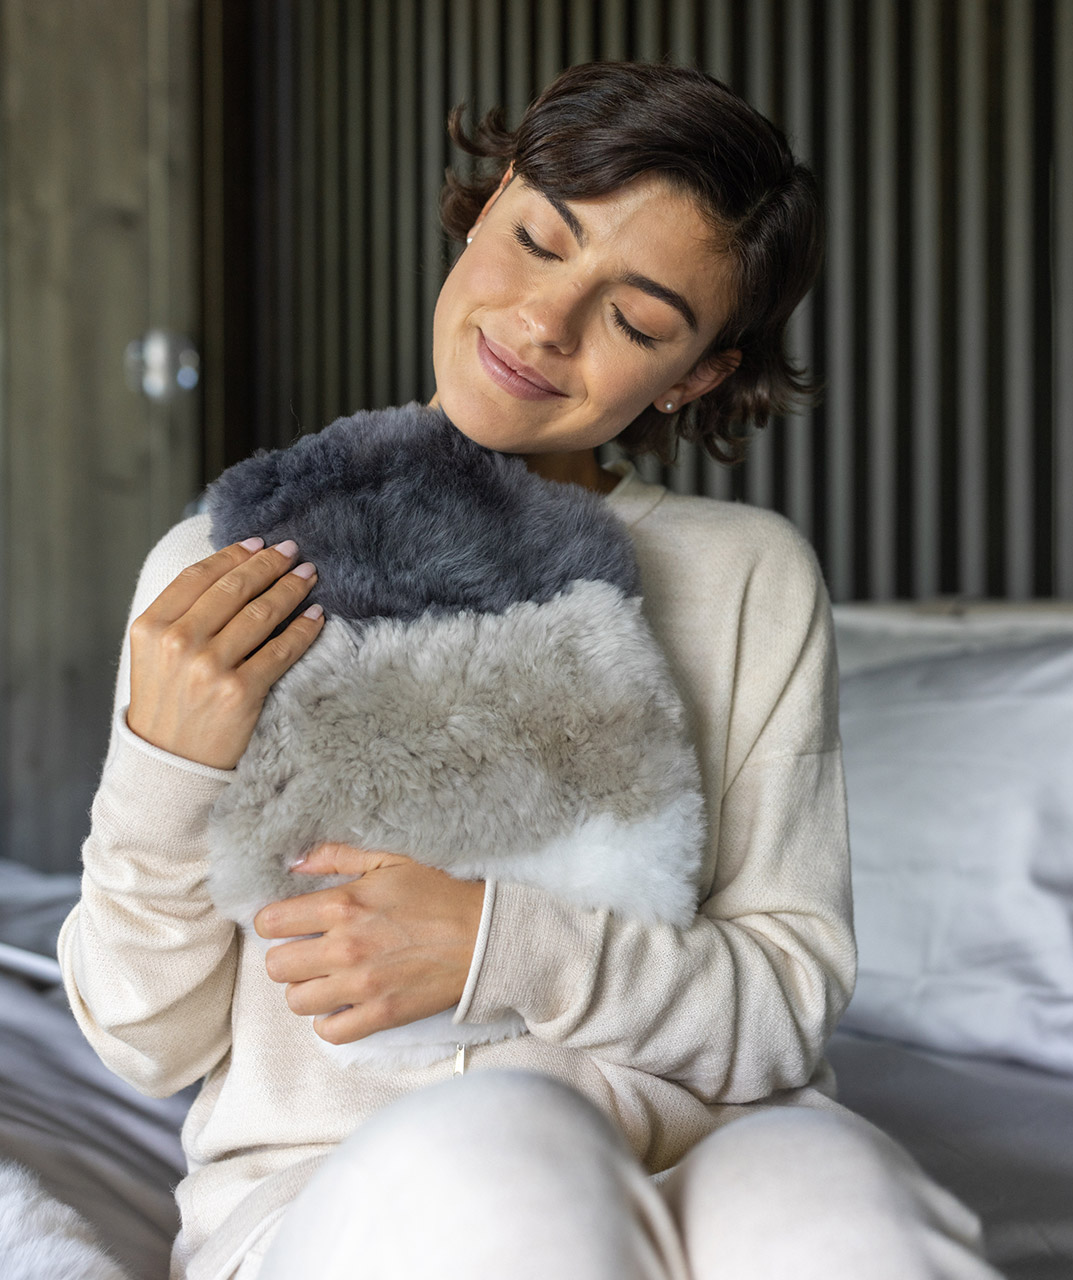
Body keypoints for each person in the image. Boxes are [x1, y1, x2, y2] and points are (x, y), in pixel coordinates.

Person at [60, 61, 1003, 1279]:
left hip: (708, 1149)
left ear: (701, 370)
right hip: (336, 1184)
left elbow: (780, 1005)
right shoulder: (233, 555)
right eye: (537, 240)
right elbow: (143, 1038)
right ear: (487, 199)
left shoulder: (747, 575)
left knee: (844, 1201)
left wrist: (503, 944)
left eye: (636, 319)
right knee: (493, 1154)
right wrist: (162, 761)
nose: (544, 323)